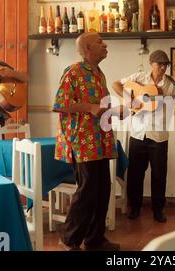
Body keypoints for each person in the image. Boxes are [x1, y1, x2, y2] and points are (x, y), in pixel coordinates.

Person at [53, 32, 120, 251]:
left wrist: (114, 112)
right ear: (88, 49)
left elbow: (98, 108)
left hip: (99, 141)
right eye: (100, 42)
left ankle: (95, 239)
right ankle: (69, 239)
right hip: (81, 142)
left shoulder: (99, 73)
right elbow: (60, 104)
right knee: (87, 190)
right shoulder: (73, 71)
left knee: (103, 190)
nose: (105, 44)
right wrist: (90, 108)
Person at [112, 50, 175, 223]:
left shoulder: (173, 84)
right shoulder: (139, 78)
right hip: (138, 132)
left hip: (159, 134)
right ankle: (134, 206)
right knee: (135, 173)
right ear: (151, 63)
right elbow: (116, 84)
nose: (162, 68)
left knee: (159, 174)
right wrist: (129, 100)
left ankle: (158, 209)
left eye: (165, 65)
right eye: (159, 64)